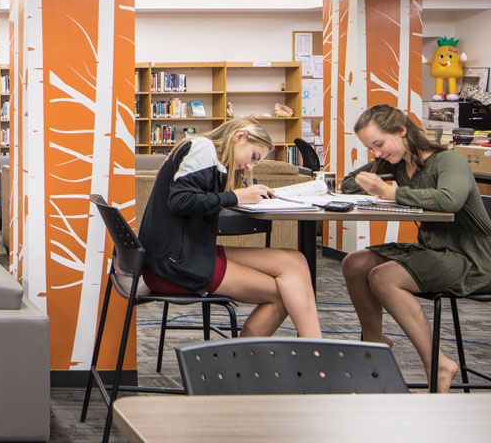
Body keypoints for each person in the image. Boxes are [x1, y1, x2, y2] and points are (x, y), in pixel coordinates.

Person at [339, 104, 491, 393]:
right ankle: (374, 346)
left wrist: (390, 192)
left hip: (472, 258)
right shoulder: (394, 163)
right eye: (371, 148)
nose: (376, 154)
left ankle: (438, 364)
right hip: (433, 250)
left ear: (401, 131)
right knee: (354, 263)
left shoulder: (448, 160)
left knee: (383, 277)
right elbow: (349, 183)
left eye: (379, 144)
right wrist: (369, 181)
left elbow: (450, 200)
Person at [138, 118, 322, 338]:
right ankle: (245, 365)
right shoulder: (203, 148)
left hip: (186, 252)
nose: (250, 166)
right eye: (253, 156)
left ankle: (315, 347)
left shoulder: (213, 158)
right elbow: (181, 201)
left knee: (295, 260)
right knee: (286, 294)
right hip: (174, 264)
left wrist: (241, 195)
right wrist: (235, 196)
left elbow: (205, 199)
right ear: (239, 136)